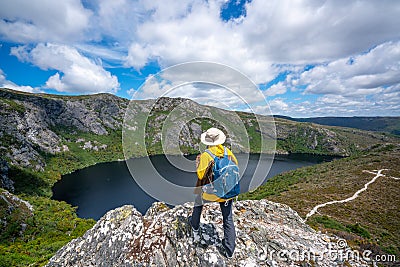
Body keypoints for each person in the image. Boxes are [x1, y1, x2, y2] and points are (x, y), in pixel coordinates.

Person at [188, 127, 238, 258]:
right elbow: (235, 165)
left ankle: (194, 226)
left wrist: (198, 163)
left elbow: (200, 175)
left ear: (207, 141)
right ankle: (229, 249)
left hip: (211, 194)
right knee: (228, 218)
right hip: (227, 192)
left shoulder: (206, 155)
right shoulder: (227, 152)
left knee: (198, 203)